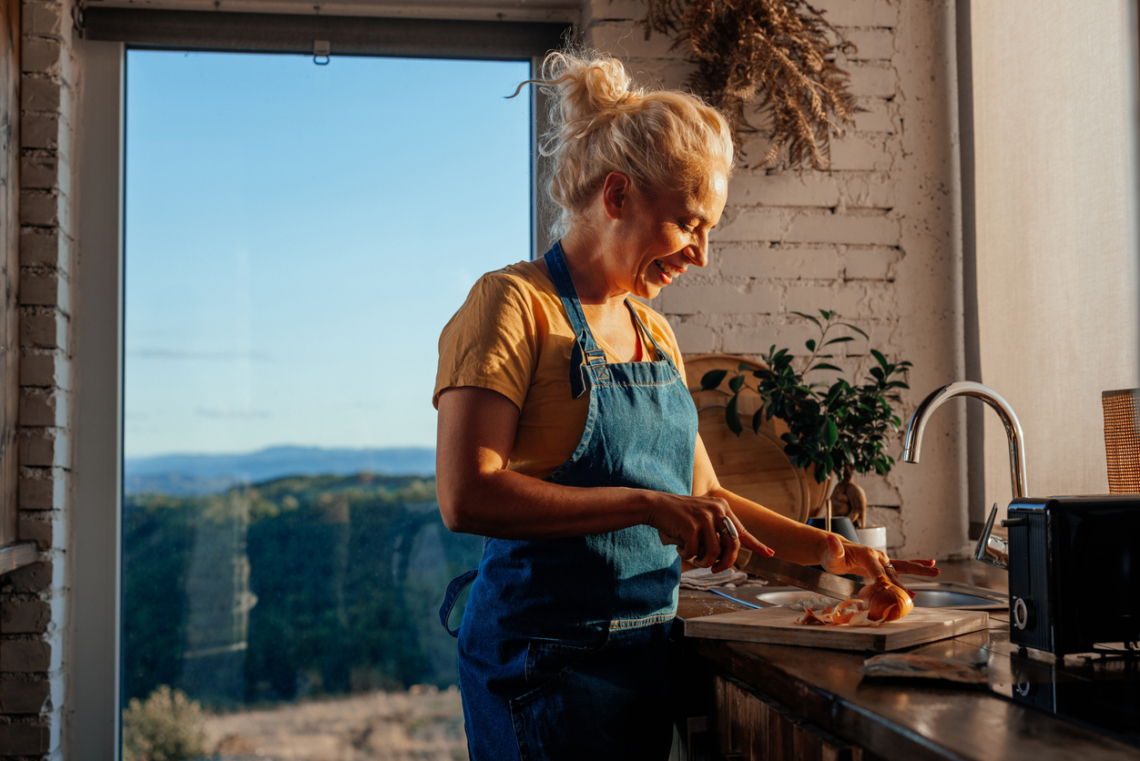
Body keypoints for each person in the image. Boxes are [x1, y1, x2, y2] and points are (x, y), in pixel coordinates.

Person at [433, 50, 939, 761]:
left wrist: (831, 549)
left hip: (645, 656)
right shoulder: (512, 305)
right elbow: (467, 496)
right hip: (542, 662)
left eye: (710, 231)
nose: (700, 254)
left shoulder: (653, 330)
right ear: (617, 196)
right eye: (688, 223)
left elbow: (703, 492)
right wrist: (646, 504)